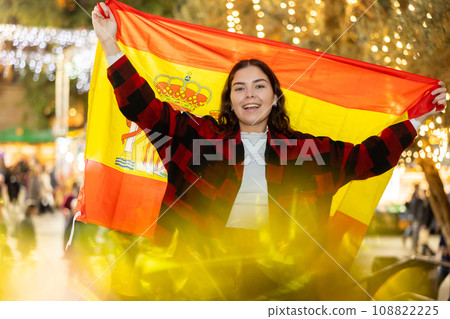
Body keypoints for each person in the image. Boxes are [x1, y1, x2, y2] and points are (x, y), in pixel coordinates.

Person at [92, 2, 448, 299]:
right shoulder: (197, 137)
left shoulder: (305, 152)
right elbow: (145, 110)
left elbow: (366, 159)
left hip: (284, 285)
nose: (249, 94)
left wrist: (414, 122)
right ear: (230, 101)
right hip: (198, 277)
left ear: (274, 97)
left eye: (259, 86)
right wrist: (111, 46)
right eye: (240, 88)